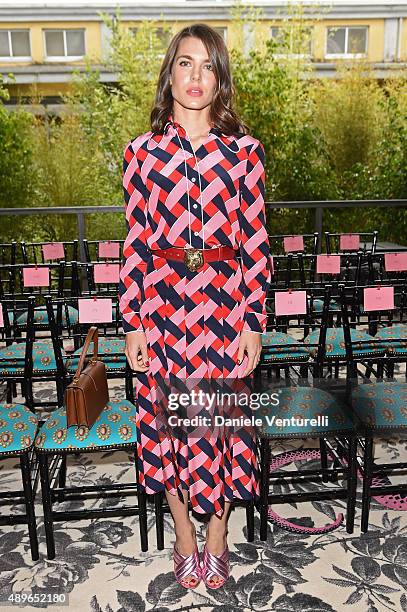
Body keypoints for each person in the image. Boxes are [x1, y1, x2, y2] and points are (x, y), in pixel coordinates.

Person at [118, 23, 271, 590]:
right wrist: (132, 319)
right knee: (169, 426)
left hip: (224, 306)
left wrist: (254, 319)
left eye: (208, 66)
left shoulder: (244, 153)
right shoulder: (142, 153)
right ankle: (183, 531)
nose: (196, 76)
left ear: (220, 78)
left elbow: (256, 241)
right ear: (170, 73)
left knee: (221, 424)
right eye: (186, 63)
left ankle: (216, 535)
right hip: (161, 305)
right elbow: (135, 240)